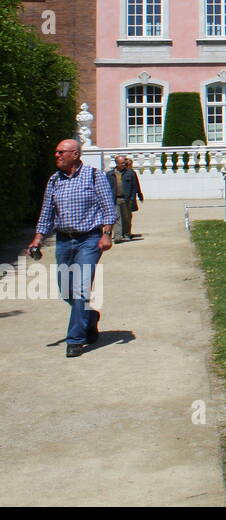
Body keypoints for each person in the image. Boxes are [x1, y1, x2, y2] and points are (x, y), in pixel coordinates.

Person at [27, 139, 116, 357]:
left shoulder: (95, 176)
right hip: (64, 241)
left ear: (75, 154)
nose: (56, 155)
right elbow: (47, 213)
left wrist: (106, 235)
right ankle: (91, 317)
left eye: (61, 152)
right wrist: (37, 239)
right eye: (56, 152)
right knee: (65, 290)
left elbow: (108, 207)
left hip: (89, 240)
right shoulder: (54, 180)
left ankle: (75, 339)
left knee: (80, 289)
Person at [109, 153, 144, 242]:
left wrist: (139, 195)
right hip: (115, 199)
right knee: (117, 218)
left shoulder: (131, 173)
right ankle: (118, 236)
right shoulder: (110, 174)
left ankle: (126, 233)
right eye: (122, 163)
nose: (125, 164)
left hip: (127, 199)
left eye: (124, 162)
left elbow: (135, 185)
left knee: (127, 217)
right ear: (117, 164)